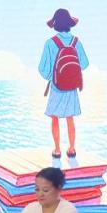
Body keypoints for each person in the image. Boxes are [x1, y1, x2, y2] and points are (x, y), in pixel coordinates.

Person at [38, 8, 89, 159]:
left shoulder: (50, 43)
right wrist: (72, 74)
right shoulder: (76, 42)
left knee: (55, 118)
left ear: (55, 24)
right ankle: (72, 149)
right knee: (70, 118)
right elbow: (85, 63)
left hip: (56, 87)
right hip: (72, 87)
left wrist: (53, 76)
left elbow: (42, 68)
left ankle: (57, 150)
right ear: (69, 23)